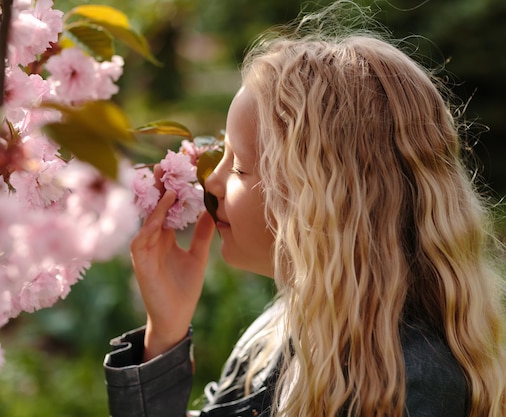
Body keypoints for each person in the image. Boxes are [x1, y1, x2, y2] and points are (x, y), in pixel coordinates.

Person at [103, 2, 506, 416]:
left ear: (323, 201)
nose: (212, 181)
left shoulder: (410, 386)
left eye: (239, 165)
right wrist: (165, 336)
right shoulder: (274, 339)